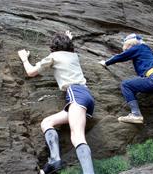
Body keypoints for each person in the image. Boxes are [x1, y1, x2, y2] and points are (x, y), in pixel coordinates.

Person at [18, 31, 95, 174]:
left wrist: (24, 59)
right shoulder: (74, 56)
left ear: (53, 46)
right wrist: (69, 39)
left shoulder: (53, 56)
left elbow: (31, 72)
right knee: (47, 122)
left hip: (75, 94)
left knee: (77, 136)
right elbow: (67, 48)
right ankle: (54, 160)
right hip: (85, 98)